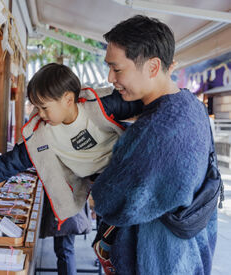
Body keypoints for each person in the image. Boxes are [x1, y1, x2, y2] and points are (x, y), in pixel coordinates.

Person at [0, 63, 143, 275]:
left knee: (133, 243)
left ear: (68, 99)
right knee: (110, 245)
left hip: (131, 172)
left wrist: (173, 96)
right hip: (102, 189)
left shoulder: (98, 105)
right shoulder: (42, 136)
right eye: (36, 107)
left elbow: (142, 101)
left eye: (44, 107)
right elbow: (11, 161)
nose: (40, 113)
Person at [91, 15, 217, 274]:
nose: (109, 77)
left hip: (157, 261)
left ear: (152, 66)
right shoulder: (191, 106)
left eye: (117, 69)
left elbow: (110, 202)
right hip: (189, 255)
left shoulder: (157, 131)